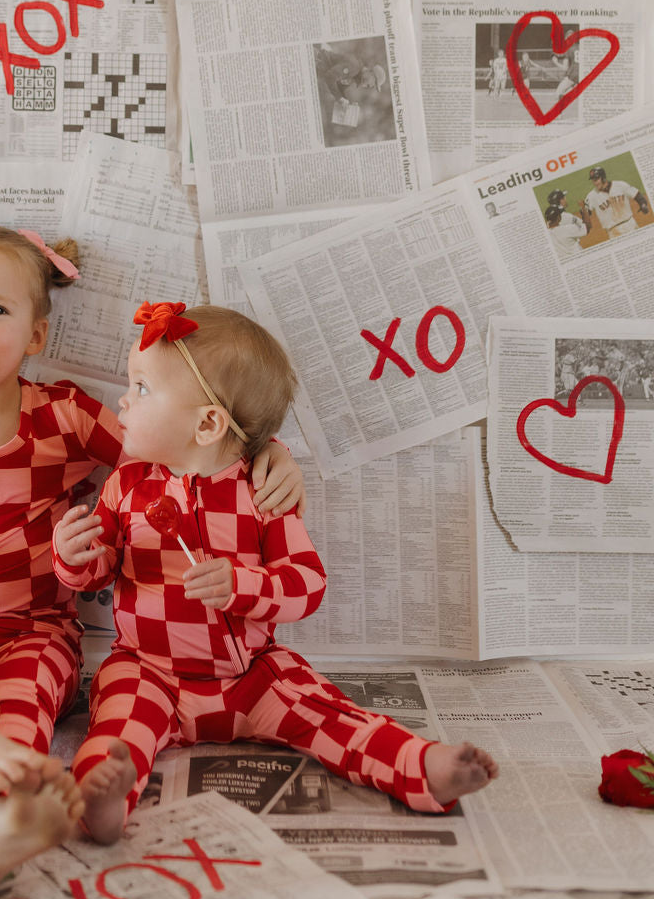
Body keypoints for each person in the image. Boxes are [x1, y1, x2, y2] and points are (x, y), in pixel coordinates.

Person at [0, 224, 303, 885]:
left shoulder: (66, 417)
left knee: (23, 711)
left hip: (38, 627)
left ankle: (0, 821)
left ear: (36, 336)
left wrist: (262, 450)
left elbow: (171, 449)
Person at [53, 302, 498, 844]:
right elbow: (99, 571)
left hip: (252, 676)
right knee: (120, 724)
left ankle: (420, 766)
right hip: (149, 670)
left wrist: (243, 586)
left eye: (142, 388)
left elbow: (307, 582)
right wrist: (75, 557)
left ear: (208, 423)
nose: (123, 399)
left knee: (326, 711)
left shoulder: (262, 491)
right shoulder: (126, 486)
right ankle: (103, 799)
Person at [582, 167, 651, 240]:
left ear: (603, 178)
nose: (595, 183)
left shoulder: (620, 185)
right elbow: (586, 213)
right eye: (593, 180)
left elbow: (637, 195)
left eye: (596, 180)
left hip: (630, 224)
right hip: (613, 232)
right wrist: (584, 212)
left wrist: (643, 204)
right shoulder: (591, 196)